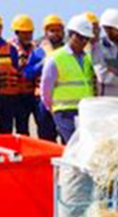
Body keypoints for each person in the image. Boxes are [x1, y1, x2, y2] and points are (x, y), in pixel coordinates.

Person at [40, 14, 97, 142]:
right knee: (73, 146)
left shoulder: (87, 58)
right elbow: (45, 88)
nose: (83, 42)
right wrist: (53, 108)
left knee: (84, 146)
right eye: (80, 37)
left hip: (84, 110)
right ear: (71, 34)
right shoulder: (56, 58)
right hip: (64, 112)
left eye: (86, 38)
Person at [29, 15, 65, 141]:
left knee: (67, 137)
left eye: (58, 30)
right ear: (46, 33)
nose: (55, 33)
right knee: (46, 136)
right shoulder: (38, 52)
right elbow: (28, 73)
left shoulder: (68, 51)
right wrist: (42, 63)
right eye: (52, 30)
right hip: (43, 100)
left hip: (63, 99)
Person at [7, 15, 38, 136]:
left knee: (41, 125)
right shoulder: (10, 48)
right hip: (17, 95)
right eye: (24, 33)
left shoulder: (36, 48)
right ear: (17, 33)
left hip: (33, 94)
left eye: (30, 32)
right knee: (22, 128)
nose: (28, 36)